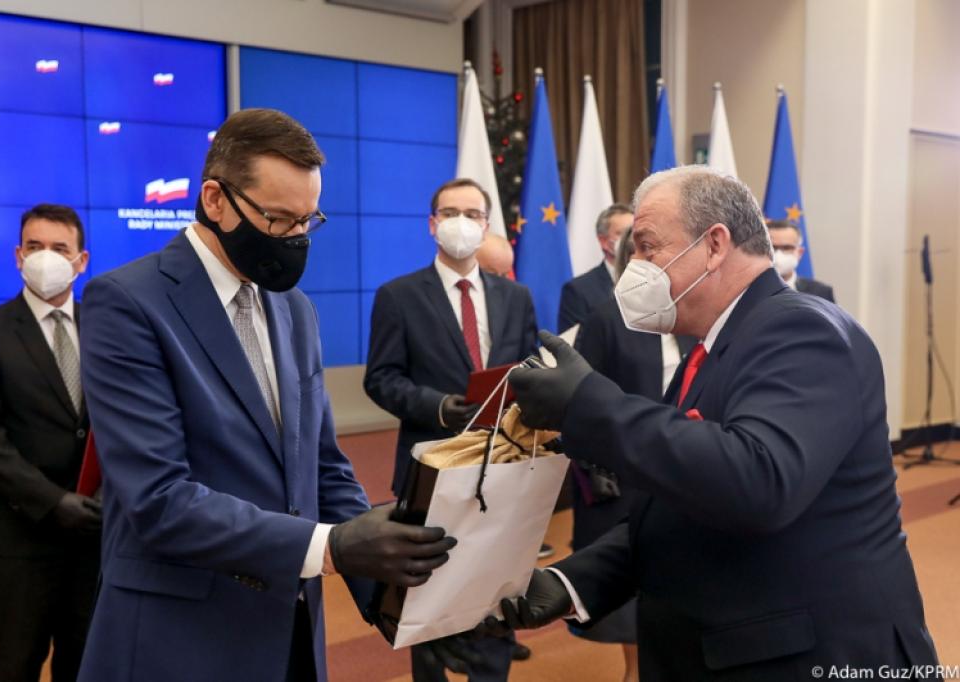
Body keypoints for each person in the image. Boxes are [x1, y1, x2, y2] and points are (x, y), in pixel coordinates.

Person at [500, 166, 940, 679]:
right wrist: (572, 582)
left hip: (808, 659)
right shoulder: (710, 348)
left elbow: (758, 481)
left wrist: (587, 404)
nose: (634, 267)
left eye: (647, 247)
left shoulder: (801, 328)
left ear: (713, 245)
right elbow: (681, 503)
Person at [76, 109, 460, 682]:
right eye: (279, 219)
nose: (295, 238)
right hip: (179, 639)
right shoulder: (127, 303)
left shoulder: (294, 309)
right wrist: (332, 547)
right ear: (215, 200)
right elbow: (157, 499)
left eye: (308, 220)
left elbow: (322, 467)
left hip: (291, 631)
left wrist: (401, 595)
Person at [364, 177, 538, 680]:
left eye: (472, 213)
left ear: (486, 225)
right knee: (428, 594)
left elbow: (530, 370)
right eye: (450, 212)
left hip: (502, 466)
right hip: (430, 467)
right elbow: (381, 379)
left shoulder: (516, 297)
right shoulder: (397, 296)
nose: (461, 222)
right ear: (432, 223)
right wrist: (439, 407)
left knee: (496, 593)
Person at [0, 204, 100, 682]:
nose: (45, 257)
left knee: (87, 666)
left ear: (81, 261)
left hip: (94, 536)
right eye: (34, 246)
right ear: (18, 255)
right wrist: (52, 501)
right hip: (17, 539)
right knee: (14, 668)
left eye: (59, 248)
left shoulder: (108, 330)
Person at [567, 226, 696, 682]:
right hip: (624, 474)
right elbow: (582, 402)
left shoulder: (690, 313)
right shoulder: (605, 319)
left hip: (687, 466)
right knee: (631, 591)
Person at [557, 203, 634, 332]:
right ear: (604, 241)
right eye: (622, 233)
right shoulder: (578, 291)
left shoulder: (649, 281)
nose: (630, 240)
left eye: (633, 233)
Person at [766, 218, 835, 301]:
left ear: (800, 253)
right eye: (772, 247)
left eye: (787, 248)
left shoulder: (821, 292)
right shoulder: (752, 291)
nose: (778, 254)